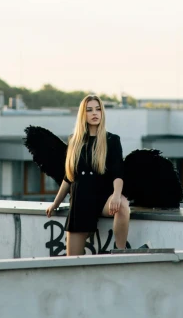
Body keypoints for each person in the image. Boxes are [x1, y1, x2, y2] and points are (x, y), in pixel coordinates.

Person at [46, 95, 130, 256]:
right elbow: (69, 177)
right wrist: (55, 203)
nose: (94, 113)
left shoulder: (111, 140)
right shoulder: (74, 141)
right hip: (80, 202)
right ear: (83, 114)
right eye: (89, 110)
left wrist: (117, 195)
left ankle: (120, 252)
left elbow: (118, 172)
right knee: (73, 262)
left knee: (123, 206)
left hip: (102, 199)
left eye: (98, 109)